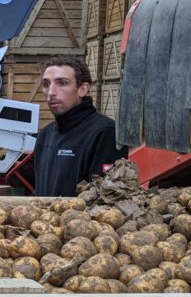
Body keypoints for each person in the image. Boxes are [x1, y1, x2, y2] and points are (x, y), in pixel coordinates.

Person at [33, 56, 127, 197]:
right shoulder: (45, 135)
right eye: (46, 84)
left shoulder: (105, 133)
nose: (51, 92)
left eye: (62, 83)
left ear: (83, 89)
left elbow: (108, 199)